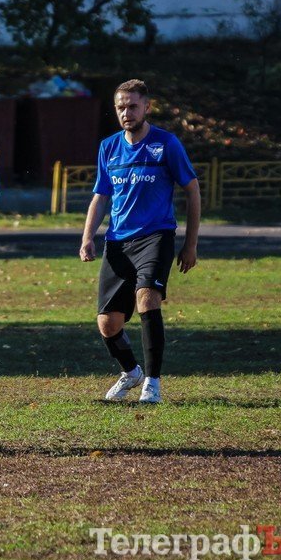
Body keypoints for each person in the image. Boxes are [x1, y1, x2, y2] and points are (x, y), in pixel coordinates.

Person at [79, 79, 200, 404]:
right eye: (121, 107)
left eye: (133, 106)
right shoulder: (109, 147)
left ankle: (152, 383)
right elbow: (101, 196)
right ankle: (130, 372)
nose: (126, 113)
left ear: (147, 107)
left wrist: (190, 244)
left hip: (156, 236)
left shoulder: (166, 144)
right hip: (118, 242)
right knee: (108, 323)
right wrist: (88, 237)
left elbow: (192, 190)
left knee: (147, 299)